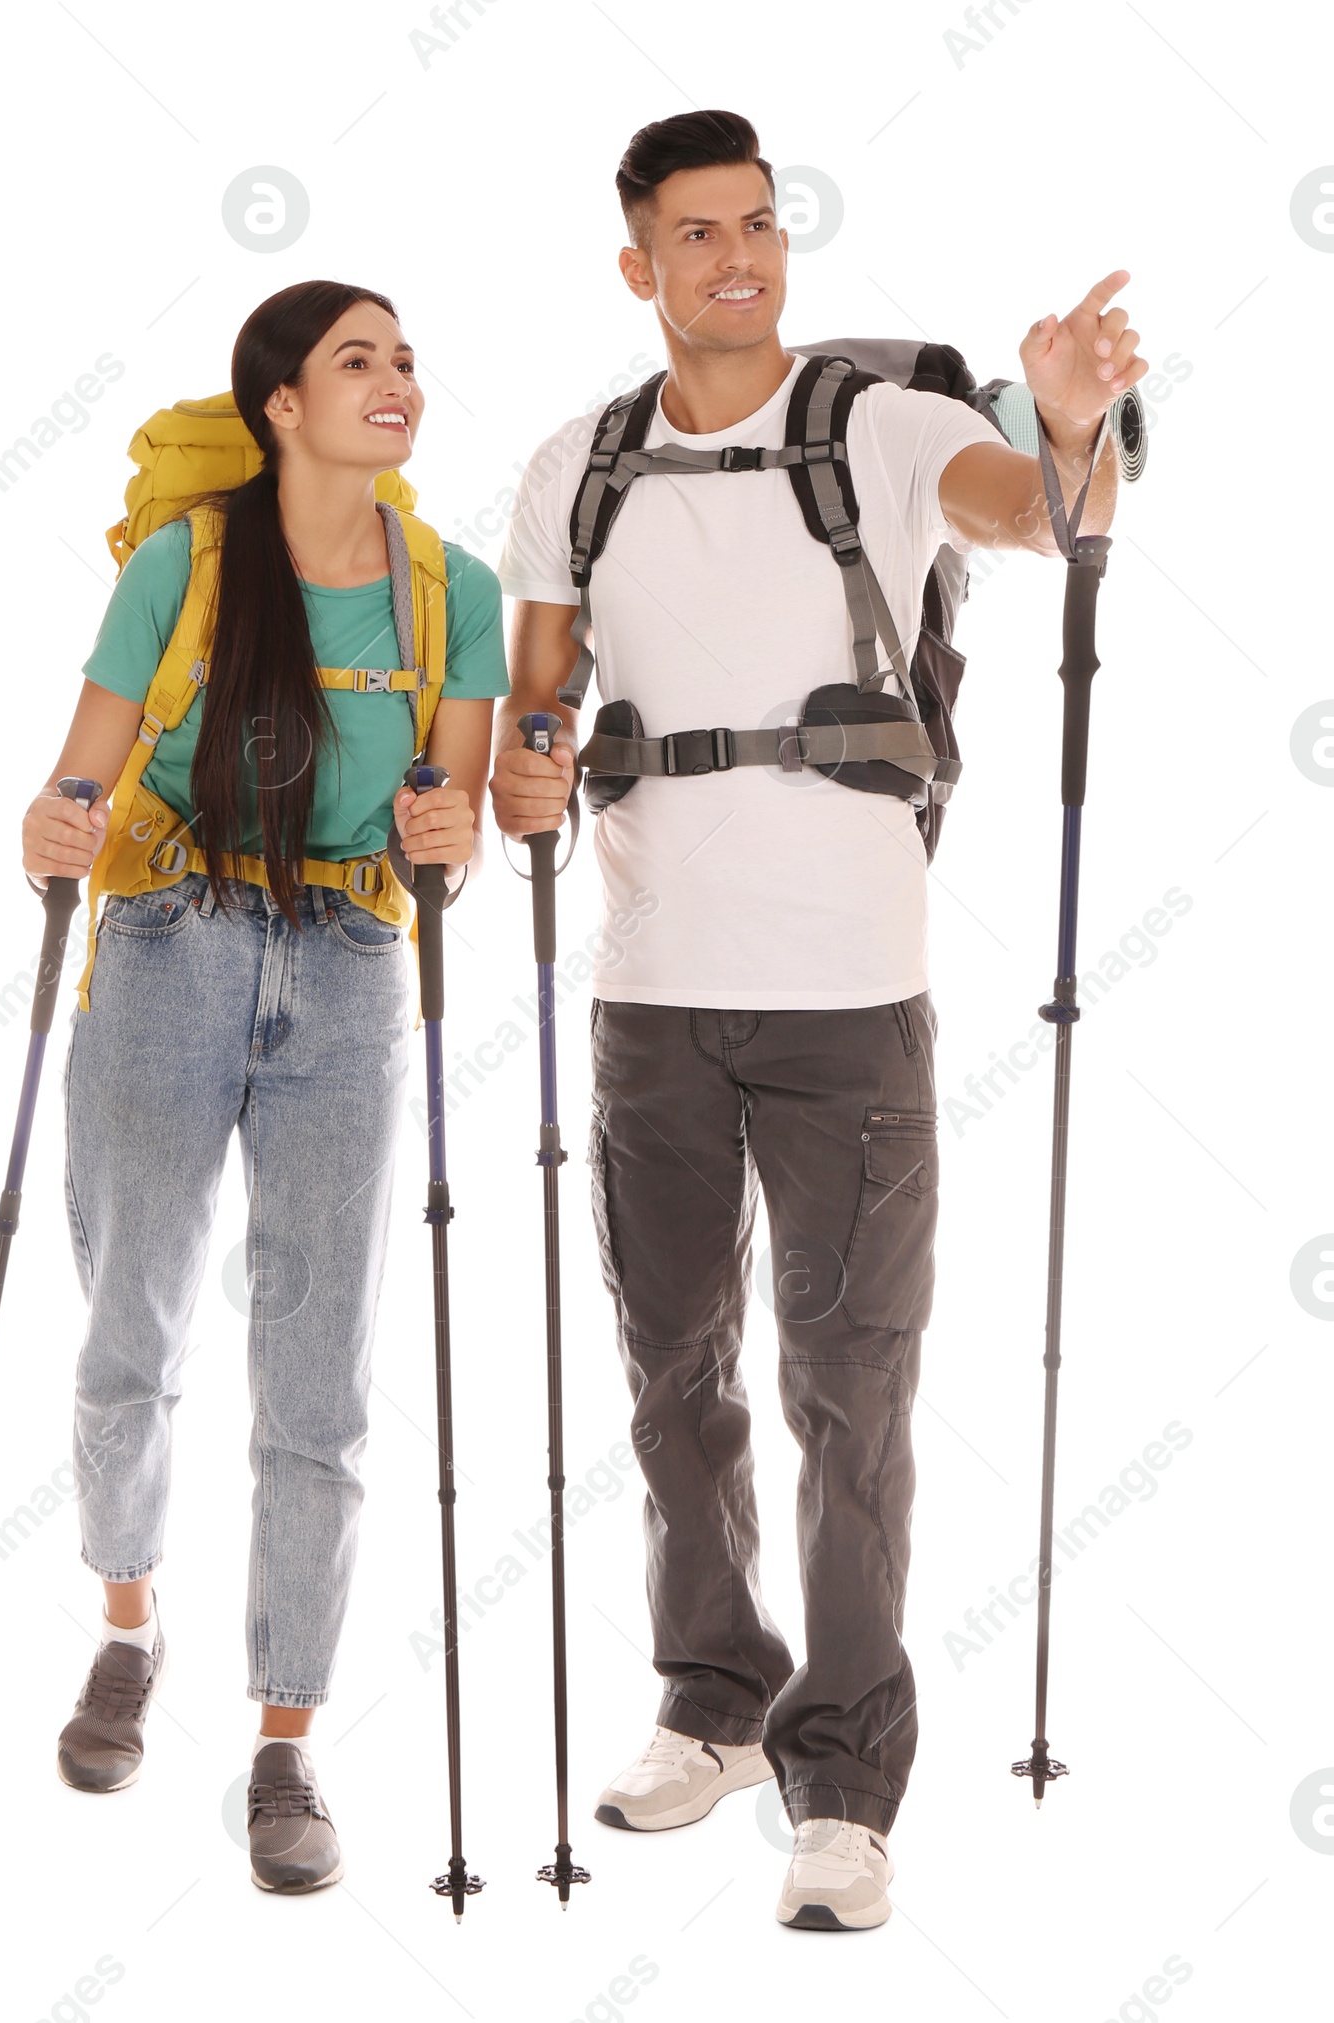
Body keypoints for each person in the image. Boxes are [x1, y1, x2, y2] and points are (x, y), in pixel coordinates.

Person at [489, 111, 1144, 1930]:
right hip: (648, 1004)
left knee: (851, 1390)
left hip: (850, 1003)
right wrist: (522, 775)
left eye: (762, 225)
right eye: (699, 233)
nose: (741, 258)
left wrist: (1069, 419)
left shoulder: (894, 430)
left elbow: (1049, 517)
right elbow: (532, 713)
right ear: (641, 265)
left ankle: (845, 1779)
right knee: (672, 1380)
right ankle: (711, 1702)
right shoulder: (577, 467)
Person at [20, 280, 508, 1894]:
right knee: (126, 1339)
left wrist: (453, 834)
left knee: (321, 1380)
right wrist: (55, 825)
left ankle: (286, 1744)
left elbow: (453, 814)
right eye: (358, 361)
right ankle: (127, 1616)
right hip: (169, 942)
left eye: (408, 362)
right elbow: (80, 769)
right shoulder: (188, 562)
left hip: (352, 968)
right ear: (281, 405)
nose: (397, 383)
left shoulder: (456, 592)